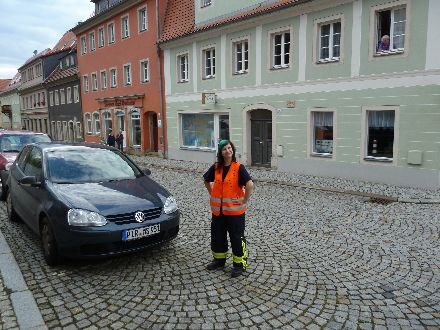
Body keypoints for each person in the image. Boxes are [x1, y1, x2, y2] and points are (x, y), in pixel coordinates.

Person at [203, 139, 254, 278]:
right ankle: (219, 261)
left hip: (235, 212)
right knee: (218, 237)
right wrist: (211, 192)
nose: (228, 151)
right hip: (218, 212)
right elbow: (206, 180)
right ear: (221, 152)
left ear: (233, 150)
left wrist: (244, 200)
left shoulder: (239, 167)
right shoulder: (216, 167)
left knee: (237, 238)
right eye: (224, 149)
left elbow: (250, 184)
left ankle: (239, 265)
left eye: (229, 148)